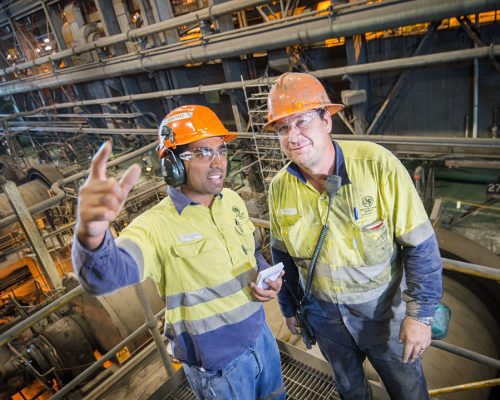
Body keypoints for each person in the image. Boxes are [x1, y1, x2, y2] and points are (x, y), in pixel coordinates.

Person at [72, 105, 286, 400]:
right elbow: (105, 277)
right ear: (171, 165)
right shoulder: (154, 226)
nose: (218, 163)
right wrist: (91, 234)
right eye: (201, 153)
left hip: (261, 337)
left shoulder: (232, 200)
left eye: (220, 150)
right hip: (220, 368)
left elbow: (250, 248)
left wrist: (264, 275)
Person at [264, 72, 442, 400]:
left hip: (383, 316)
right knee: (349, 390)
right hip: (325, 318)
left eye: (302, 121)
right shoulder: (279, 188)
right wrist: (288, 307)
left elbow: (420, 246)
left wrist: (420, 315)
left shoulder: (377, 166)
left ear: (326, 121)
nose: (293, 136)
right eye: (282, 128)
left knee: (408, 391)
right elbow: (282, 256)